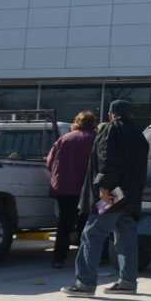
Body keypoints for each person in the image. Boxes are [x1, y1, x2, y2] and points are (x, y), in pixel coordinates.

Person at [60, 100, 149, 297]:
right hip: (131, 195)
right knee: (126, 237)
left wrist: (104, 187)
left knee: (91, 233)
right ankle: (127, 282)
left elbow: (107, 159)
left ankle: (85, 284)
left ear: (111, 114)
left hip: (112, 194)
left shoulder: (110, 130)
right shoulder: (139, 134)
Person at [46, 110, 98, 269]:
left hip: (63, 187)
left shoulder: (64, 138)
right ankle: (84, 260)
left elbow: (49, 162)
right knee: (86, 225)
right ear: (93, 124)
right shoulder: (95, 140)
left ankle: (58, 259)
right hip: (85, 190)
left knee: (64, 224)